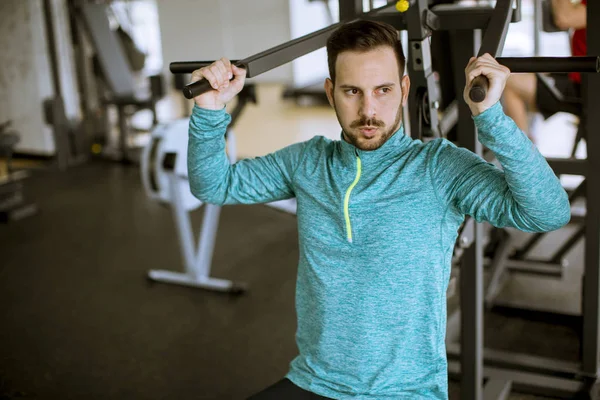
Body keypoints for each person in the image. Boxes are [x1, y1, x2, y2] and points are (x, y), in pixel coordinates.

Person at [187, 20, 570, 399]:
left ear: (404, 89)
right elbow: (214, 184)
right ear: (330, 91)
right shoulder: (308, 162)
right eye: (352, 91)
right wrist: (208, 110)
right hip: (315, 381)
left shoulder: (438, 167)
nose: (369, 110)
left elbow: (548, 212)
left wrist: (491, 119)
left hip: (405, 390)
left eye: (383, 90)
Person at [502, 0, 587, 141]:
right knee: (529, 74)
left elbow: (565, 18)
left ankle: (523, 156)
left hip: (585, 88)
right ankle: (527, 139)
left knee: (510, 84)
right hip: (579, 75)